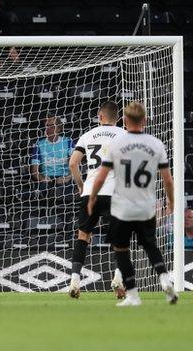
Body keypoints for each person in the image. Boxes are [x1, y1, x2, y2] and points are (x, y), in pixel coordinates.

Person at [88, 101, 178, 306]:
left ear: (125, 121)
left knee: (121, 249)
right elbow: (168, 180)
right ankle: (165, 280)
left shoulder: (117, 145)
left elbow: (101, 177)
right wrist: (171, 202)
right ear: (144, 120)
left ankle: (133, 295)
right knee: (150, 245)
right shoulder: (156, 144)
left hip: (123, 207)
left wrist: (92, 197)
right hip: (146, 206)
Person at [66, 101, 126, 299]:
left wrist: (81, 186)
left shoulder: (88, 135)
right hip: (114, 193)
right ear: (117, 118)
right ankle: (118, 278)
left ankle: (75, 280)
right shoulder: (125, 135)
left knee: (83, 236)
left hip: (90, 192)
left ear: (100, 117)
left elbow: (73, 163)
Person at [30, 116, 75, 198]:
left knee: (66, 193)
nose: (49, 129)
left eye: (52, 126)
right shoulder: (39, 144)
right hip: (46, 178)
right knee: (43, 194)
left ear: (59, 129)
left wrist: (68, 177)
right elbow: (34, 171)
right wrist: (42, 178)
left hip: (64, 177)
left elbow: (75, 164)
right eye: (47, 126)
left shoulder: (68, 141)